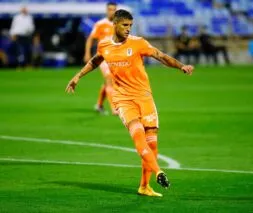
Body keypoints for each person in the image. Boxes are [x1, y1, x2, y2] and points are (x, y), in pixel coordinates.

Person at [66, 10, 194, 197]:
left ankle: (144, 186)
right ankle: (159, 172)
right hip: (123, 99)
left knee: (153, 145)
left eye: (130, 26)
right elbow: (95, 61)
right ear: (115, 24)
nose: (128, 29)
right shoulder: (104, 45)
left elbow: (161, 56)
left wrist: (181, 66)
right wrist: (78, 75)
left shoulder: (138, 43)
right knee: (137, 135)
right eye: (125, 25)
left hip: (144, 97)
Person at [84, 2, 118, 115]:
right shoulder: (100, 24)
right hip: (102, 57)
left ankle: (99, 105)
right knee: (109, 79)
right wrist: (87, 53)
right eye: (110, 9)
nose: (111, 11)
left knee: (108, 82)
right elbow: (90, 38)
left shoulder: (119, 24)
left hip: (115, 58)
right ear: (106, 10)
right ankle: (114, 109)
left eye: (114, 9)